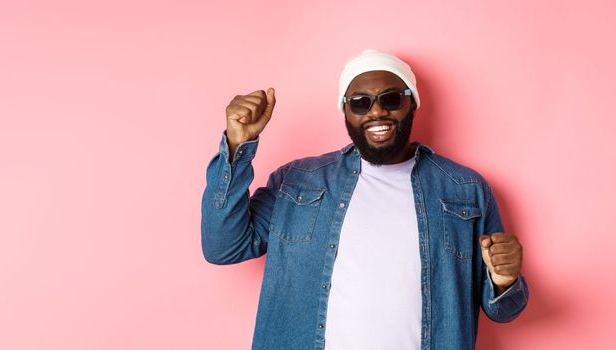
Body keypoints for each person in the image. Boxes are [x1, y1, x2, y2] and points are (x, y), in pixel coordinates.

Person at [200, 49, 529, 350]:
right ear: (345, 110)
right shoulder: (297, 181)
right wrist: (236, 147)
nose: (376, 111)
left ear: (411, 102)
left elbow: (504, 311)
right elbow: (223, 246)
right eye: (360, 102)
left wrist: (504, 281)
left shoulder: (464, 189)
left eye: (390, 99)